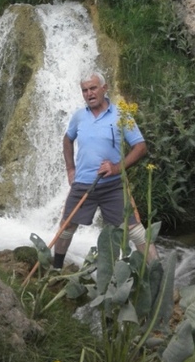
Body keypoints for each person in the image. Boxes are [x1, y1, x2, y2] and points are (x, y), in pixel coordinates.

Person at [53, 70, 159, 269]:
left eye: (93, 88)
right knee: (66, 227)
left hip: (113, 186)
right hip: (83, 183)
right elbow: (68, 139)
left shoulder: (121, 115)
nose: (89, 94)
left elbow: (140, 147)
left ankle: (158, 276)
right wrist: (70, 169)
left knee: (136, 231)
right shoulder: (78, 116)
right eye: (85, 90)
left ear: (104, 88)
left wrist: (118, 168)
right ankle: (55, 269)